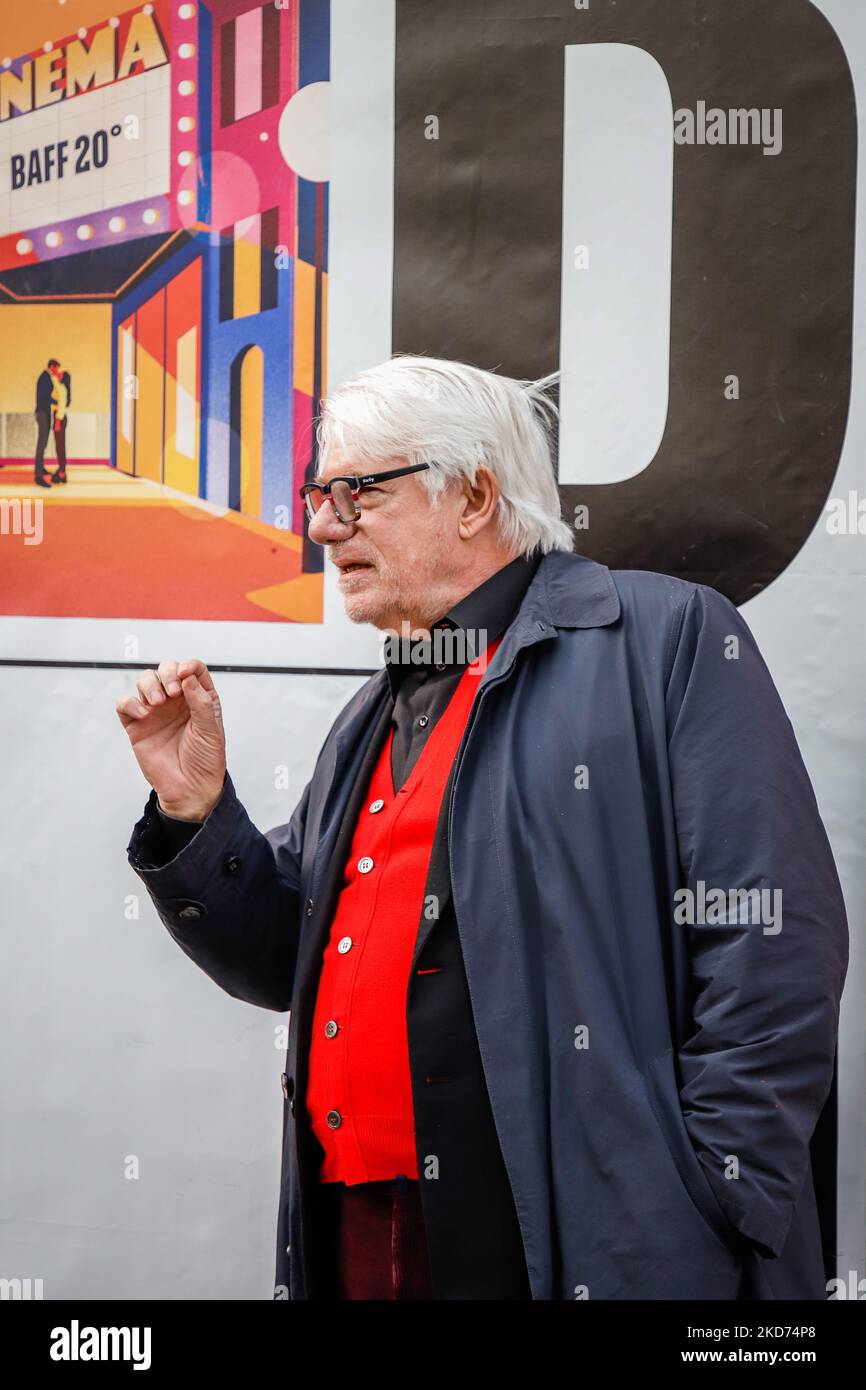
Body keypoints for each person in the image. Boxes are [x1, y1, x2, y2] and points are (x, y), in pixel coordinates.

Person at [117, 354, 848, 1301]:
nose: (321, 522)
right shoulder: (374, 714)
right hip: (361, 1236)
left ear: (474, 497)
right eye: (318, 493)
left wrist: (704, 1204)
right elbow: (275, 957)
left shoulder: (664, 641)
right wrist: (196, 809)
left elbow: (774, 943)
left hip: (579, 1249)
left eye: (357, 491)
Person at [34, 358, 71, 486]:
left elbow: (61, 399)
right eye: (57, 369)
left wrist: (58, 407)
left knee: (53, 445)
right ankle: (38, 475)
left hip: (53, 415)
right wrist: (57, 403)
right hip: (43, 413)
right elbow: (45, 397)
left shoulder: (56, 382)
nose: (58, 372)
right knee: (43, 443)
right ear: (52, 367)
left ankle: (54, 471)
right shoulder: (46, 377)